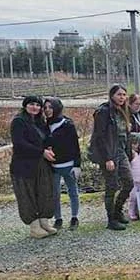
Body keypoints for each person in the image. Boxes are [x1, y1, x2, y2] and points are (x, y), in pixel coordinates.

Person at [10, 96, 57, 238]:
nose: (35, 107)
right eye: (31, 104)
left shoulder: (39, 122)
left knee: (44, 191)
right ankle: (34, 226)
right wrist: (41, 152)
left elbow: (45, 139)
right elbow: (19, 144)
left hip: (41, 164)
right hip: (24, 165)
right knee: (27, 194)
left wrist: (49, 146)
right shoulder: (19, 121)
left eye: (38, 105)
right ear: (25, 105)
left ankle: (44, 222)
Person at [88, 85, 133, 231]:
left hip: (120, 151)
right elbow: (100, 137)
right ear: (112, 95)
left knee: (129, 182)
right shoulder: (104, 112)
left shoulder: (123, 111)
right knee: (112, 185)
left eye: (124, 94)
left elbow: (126, 135)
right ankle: (111, 219)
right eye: (119, 94)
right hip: (109, 153)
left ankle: (117, 210)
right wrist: (108, 158)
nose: (122, 97)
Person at [44, 97, 81, 230]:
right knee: (55, 194)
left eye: (50, 107)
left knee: (73, 192)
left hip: (68, 164)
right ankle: (58, 218)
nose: (48, 110)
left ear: (57, 108)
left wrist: (77, 165)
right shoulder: (45, 125)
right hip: (53, 166)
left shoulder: (67, 124)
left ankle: (74, 217)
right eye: (46, 107)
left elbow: (75, 145)